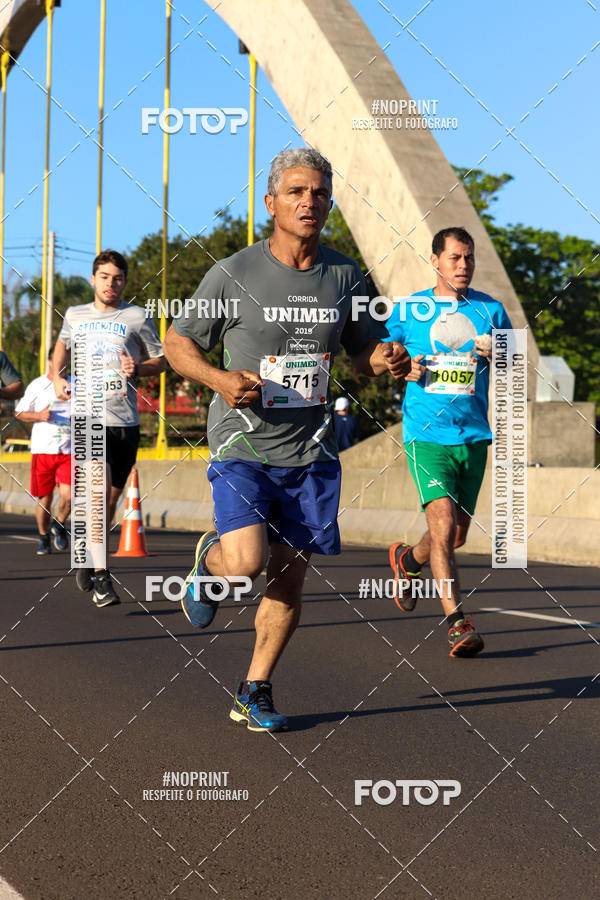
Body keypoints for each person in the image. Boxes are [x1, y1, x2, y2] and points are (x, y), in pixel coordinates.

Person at [164, 147, 411, 732]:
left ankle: (255, 689)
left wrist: (388, 358)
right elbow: (178, 344)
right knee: (246, 564)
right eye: (297, 191)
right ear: (270, 201)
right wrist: (221, 380)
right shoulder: (233, 272)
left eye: (320, 193)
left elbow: (363, 354)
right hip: (244, 444)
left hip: (312, 450)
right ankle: (210, 565)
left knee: (288, 577)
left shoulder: (345, 275)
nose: (310, 202)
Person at [385, 226, 512, 657]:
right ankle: (457, 622)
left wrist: (498, 351)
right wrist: (404, 366)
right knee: (441, 526)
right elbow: (383, 355)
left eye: (469, 258)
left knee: (455, 537)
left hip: (473, 436)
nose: (463, 265)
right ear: (436, 260)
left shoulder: (491, 310)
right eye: (455, 258)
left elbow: (516, 363)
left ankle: (409, 560)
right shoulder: (410, 310)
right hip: (426, 435)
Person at [53, 249, 165, 607]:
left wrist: (140, 369)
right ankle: (103, 578)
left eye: (117, 278)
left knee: (112, 498)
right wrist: (57, 377)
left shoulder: (136, 316)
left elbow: (161, 360)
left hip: (125, 421)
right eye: (104, 277)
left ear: (125, 282)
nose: (110, 283)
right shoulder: (75, 315)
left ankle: (86, 555)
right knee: (97, 496)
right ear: (93, 279)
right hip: (87, 416)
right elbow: (61, 348)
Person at [15, 349, 71, 554]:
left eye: (68, 360)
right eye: (60, 359)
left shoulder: (77, 384)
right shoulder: (37, 385)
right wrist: (38, 415)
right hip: (43, 449)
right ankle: (43, 535)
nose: (64, 363)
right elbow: (19, 412)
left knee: (69, 494)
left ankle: (60, 523)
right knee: (45, 498)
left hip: (70, 449)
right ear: (50, 361)